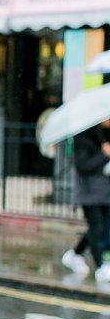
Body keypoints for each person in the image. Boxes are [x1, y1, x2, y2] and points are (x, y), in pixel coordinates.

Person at [61, 121, 110, 282]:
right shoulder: (82, 137)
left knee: (97, 229)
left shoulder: (103, 134)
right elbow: (83, 166)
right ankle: (101, 266)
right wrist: (104, 155)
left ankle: (74, 254)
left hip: (104, 191)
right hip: (88, 193)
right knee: (97, 227)